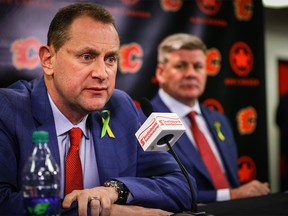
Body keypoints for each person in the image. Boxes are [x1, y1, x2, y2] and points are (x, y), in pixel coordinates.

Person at [0, 4, 195, 215]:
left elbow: (183, 185)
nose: (102, 73)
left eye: (110, 59)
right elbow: (4, 203)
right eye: (87, 57)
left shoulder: (122, 109)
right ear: (48, 60)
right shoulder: (7, 110)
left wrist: (115, 191)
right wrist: (108, 212)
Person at [149, 33, 270, 203]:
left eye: (198, 66)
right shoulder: (148, 121)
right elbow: (158, 190)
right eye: (181, 66)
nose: (191, 73)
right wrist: (231, 195)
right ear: (161, 72)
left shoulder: (219, 120)